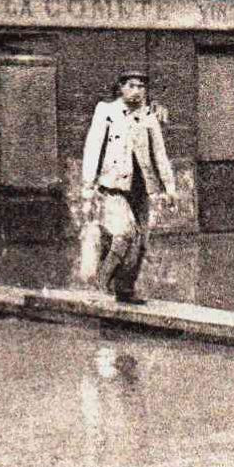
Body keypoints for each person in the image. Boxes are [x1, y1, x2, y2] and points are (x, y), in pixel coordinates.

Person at [80, 69, 176, 305]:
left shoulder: (149, 117)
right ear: (121, 87)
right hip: (113, 185)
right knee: (126, 232)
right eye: (131, 86)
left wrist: (170, 187)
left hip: (142, 187)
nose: (136, 91)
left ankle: (125, 288)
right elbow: (92, 148)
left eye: (141, 87)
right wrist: (87, 185)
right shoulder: (106, 111)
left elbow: (160, 155)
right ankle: (103, 278)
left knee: (141, 242)